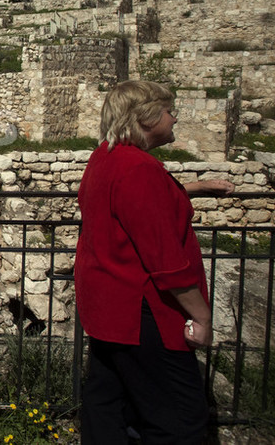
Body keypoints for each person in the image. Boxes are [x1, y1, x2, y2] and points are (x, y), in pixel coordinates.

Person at [76, 80, 234, 444]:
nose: (174, 118)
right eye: (168, 111)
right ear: (146, 118)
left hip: (106, 310)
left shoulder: (105, 157)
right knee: (179, 418)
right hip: (142, 314)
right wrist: (202, 316)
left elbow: (129, 201)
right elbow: (164, 260)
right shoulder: (138, 168)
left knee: (107, 408)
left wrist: (193, 187)